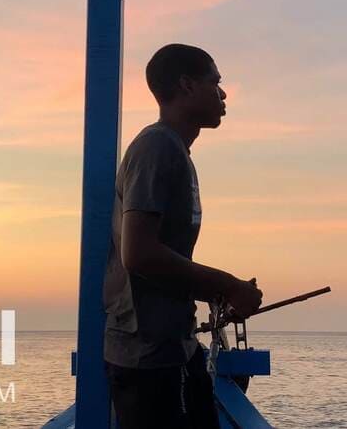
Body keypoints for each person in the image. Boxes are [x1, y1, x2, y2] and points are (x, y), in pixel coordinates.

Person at [103, 43, 264, 429]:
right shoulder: (157, 147)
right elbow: (139, 254)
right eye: (215, 82)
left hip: (176, 347)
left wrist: (216, 293)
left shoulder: (175, 152)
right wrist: (227, 285)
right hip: (148, 359)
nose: (223, 94)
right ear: (187, 85)